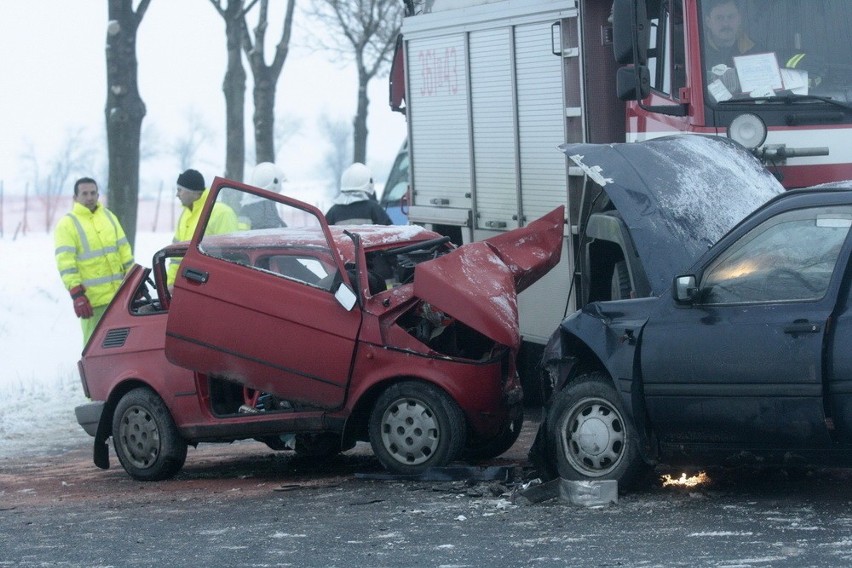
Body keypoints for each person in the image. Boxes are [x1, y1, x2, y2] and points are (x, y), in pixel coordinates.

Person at [54, 177, 134, 344]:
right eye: (84, 193)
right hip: (92, 301)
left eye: (93, 193)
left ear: (98, 195)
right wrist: (77, 295)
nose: (89, 197)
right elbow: (66, 264)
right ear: (75, 197)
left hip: (119, 297)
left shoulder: (109, 216)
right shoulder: (67, 224)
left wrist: (134, 281)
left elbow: (124, 252)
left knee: (120, 344)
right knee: (94, 346)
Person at [167, 168, 239, 285]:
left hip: (211, 285)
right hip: (188, 284)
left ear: (195, 193)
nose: (177, 194)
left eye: (180, 190)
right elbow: (176, 257)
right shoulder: (184, 215)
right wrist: (171, 283)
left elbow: (232, 256)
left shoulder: (221, 212)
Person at [325, 163, 393, 226]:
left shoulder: (333, 211)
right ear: (368, 183)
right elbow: (391, 233)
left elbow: (322, 234)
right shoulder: (374, 209)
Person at [703, 0, 756, 78]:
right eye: (719, 18)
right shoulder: (698, 52)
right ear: (708, 22)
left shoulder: (755, 50)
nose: (726, 24)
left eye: (731, 17)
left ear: (739, 19)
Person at [240, 162, 287, 230]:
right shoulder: (265, 206)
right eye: (280, 183)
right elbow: (272, 227)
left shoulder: (252, 204)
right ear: (273, 184)